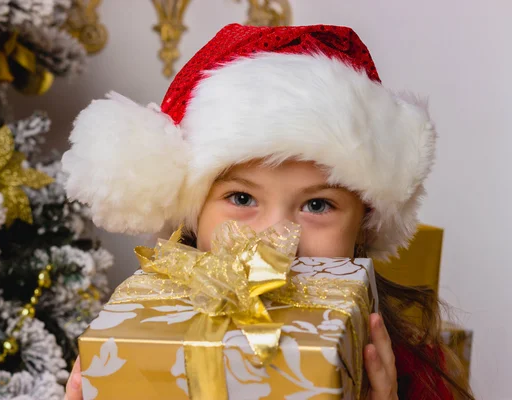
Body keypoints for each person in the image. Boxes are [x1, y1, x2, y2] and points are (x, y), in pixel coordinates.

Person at [61, 24, 474, 400]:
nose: (277, 238)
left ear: (363, 228)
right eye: (241, 198)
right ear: (193, 214)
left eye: (317, 205)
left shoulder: (417, 375)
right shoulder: (135, 344)